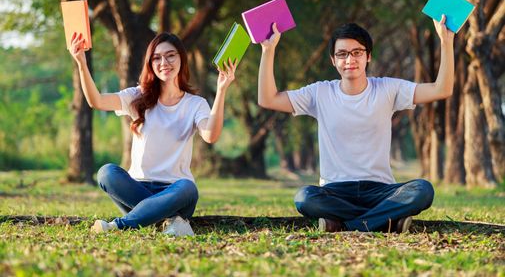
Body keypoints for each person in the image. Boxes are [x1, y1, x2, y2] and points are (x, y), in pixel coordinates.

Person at [257, 16, 454, 233]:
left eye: (357, 52)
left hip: (380, 192)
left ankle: (345, 225)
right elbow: (268, 99)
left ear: (368, 56)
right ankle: (385, 221)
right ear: (333, 60)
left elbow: (441, 90)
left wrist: (446, 42)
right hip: (335, 192)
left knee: (422, 189)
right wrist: (268, 51)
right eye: (342, 54)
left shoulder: (387, 89)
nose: (349, 59)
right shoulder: (320, 92)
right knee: (304, 197)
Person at [69, 31, 236, 236]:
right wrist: (82, 64)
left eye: (170, 55)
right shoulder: (137, 96)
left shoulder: (195, 103)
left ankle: (118, 226)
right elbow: (97, 101)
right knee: (106, 173)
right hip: (136, 189)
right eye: (157, 58)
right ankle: (170, 221)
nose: (163, 62)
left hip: (175, 193)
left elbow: (210, 135)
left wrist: (221, 90)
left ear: (181, 59)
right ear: (150, 63)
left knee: (188, 187)